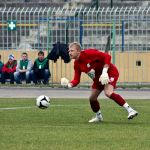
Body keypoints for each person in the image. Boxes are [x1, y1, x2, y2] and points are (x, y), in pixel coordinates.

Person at [62, 42, 138, 123]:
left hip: (109, 73)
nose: (69, 53)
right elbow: (76, 80)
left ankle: (130, 110)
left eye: (72, 51)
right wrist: (69, 85)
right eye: (69, 51)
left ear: (78, 51)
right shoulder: (76, 64)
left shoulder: (89, 53)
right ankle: (99, 117)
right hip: (98, 79)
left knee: (108, 93)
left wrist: (104, 72)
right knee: (92, 99)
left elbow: (107, 56)